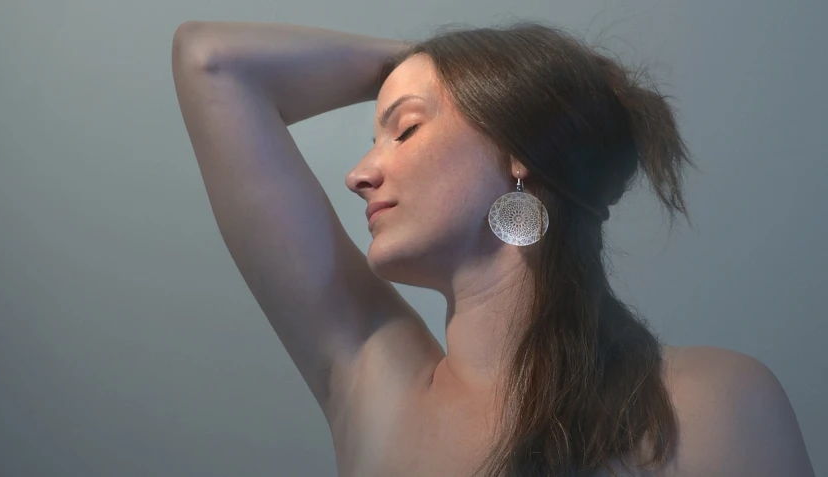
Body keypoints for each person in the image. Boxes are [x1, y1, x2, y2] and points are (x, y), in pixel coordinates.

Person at [170, 20, 815, 477]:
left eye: (406, 129)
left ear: (520, 153)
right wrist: (435, 60)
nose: (360, 172)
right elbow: (211, 61)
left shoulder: (712, 402)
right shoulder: (375, 384)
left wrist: (509, 80)